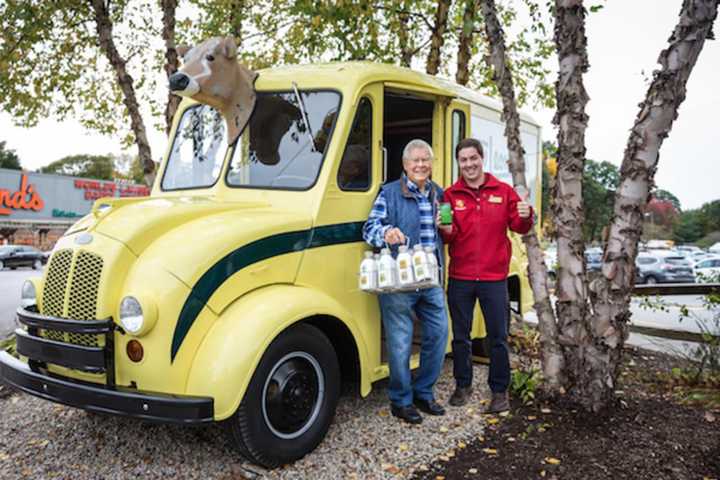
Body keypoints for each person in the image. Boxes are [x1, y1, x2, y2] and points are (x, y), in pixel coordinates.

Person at [439, 138, 533, 413]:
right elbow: (448, 235)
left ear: (481, 159)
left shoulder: (503, 192)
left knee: (498, 337)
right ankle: (463, 384)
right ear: (459, 163)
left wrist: (527, 214)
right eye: (463, 160)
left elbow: (520, 225)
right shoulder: (450, 196)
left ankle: (500, 391)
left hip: (494, 279)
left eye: (473, 158)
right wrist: (443, 229)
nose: (469, 164)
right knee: (460, 336)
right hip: (461, 277)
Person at [362, 139, 449, 425]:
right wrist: (385, 232)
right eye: (416, 160)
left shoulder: (439, 193)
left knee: (438, 334)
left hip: (430, 277)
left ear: (431, 164)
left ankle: (424, 392)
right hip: (399, 279)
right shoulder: (389, 193)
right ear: (405, 165)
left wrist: (447, 225)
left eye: (426, 160)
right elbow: (370, 227)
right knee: (400, 343)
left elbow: (448, 231)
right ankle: (401, 401)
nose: (421, 165)